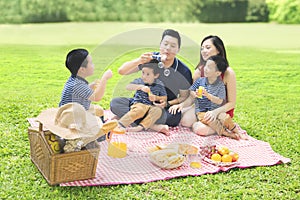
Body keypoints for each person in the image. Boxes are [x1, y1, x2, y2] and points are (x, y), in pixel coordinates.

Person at [110, 29, 192, 132]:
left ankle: (130, 118)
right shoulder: (151, 59)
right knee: (115, 103)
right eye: (165, 44)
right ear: (160, 45)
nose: (168, 48)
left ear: (178, 49)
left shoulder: (183, 71)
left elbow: (184, 96)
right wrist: (139, 60)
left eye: (173, 46)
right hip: (140, 103)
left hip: (162, 108)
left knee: (174, 117)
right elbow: (122, 71)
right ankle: (154, 126)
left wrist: (167, 103)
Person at [180, 35, 248, 139]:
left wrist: (215, 112)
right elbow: (193, 96)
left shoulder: (228, 73)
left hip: (221, 110)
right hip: (203, 109)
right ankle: (215, 126)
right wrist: (194, 95)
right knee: (185, 121)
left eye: (208, 47)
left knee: (200, 127)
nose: (203, 51)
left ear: (219, 50)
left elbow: (231, 103)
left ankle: (222, 127)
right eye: (202, 48)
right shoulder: (199, 72)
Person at [170, 55, 242, 139]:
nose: (206, 69)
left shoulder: (220, 85)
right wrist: (194, 93)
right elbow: (192, 91)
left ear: (218, 73)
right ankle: (226, 133)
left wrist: (209, 96)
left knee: (224, 118)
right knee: (210, 120)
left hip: (216, 110)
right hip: (202, 111)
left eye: (210, 67)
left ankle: (237, 132)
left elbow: (219, 101)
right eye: (206, 66)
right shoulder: (200, 81)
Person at [118, 60, 169, 134]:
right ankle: (120, 124)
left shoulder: (159, 84)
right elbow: (128, 87)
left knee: (158, 111)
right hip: (139, 104)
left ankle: (140, 127)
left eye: (148, 74)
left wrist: (156, 98)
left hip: (151, 106)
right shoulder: (140, 81)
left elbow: (164, 98)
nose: (144, 76)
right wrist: (140, 87)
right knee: (139, 110)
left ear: (156, 75)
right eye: (143, 73)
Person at [59, 48, 113, 119]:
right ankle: (100, 128)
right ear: (82, 69)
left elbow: (79, 93)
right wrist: (104, 78)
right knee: (97, 116)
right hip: (72, 118)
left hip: (71, 112)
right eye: (91, 63)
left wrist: (89, 87)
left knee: (99, 110)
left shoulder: (75, 81)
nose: (94, 65)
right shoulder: (78, 85)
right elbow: (97, 97)